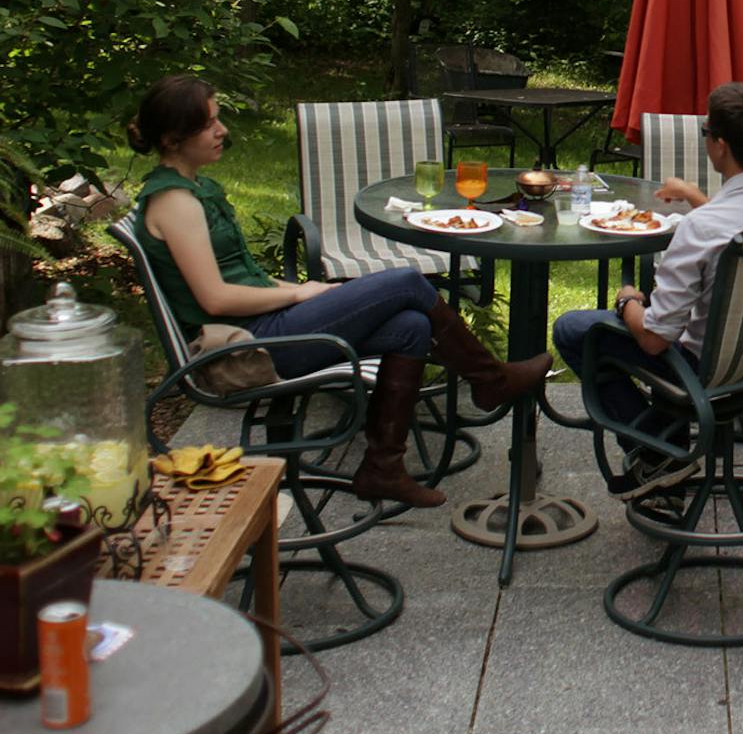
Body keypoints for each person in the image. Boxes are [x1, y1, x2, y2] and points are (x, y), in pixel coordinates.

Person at [128, 75, 551, 509]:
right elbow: (215, 298)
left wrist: (301, 289)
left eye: (218, 120)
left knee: (411, 326)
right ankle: (490, 380)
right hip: (246, 346)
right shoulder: (175, 203)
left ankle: (383, 468)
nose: (222, 131)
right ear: (173, 138)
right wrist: (298, 295)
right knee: (406, 282)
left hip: (263, 326)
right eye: (208, 125)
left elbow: (240, 275)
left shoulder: (193, 190)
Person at [552, 83, 743, 499]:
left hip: (709, 370)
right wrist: (697, 197)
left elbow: (654, 339)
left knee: (573, 329)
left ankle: (659, 451)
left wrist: (627, 301)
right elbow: (741, 222)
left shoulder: (702, 228)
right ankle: (664, 439)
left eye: (706, 132)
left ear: (719, 146)